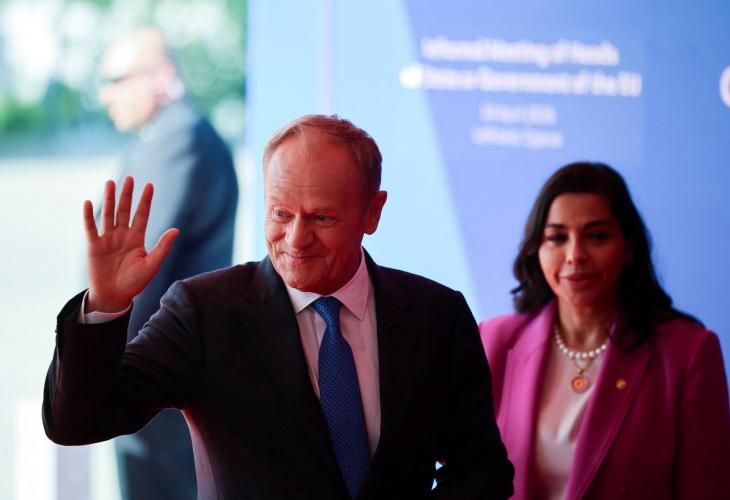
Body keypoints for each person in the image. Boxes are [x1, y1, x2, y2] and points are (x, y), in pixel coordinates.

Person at [43, 115, 514, 499]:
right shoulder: (204, 311)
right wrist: (105, 305)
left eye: (321, 217)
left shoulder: (438, 315)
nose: (296, 238)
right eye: (280, 213)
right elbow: (77, 423)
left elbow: (481, 469)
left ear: (373, 211)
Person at [480, 162, 730, 499]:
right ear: (535, 249)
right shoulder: (494, 340)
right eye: (557, 238)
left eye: (597, 236)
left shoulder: (688, 353)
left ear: (629, 248)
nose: (575, 255)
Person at [96, 27, 238, 500]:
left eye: (117, 80)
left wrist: (97, 362)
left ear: (160, 76)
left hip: (150, 381)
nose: (106, 95)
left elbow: (135, 272)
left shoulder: (179, 139)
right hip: (150, 376)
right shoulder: (170, 135)